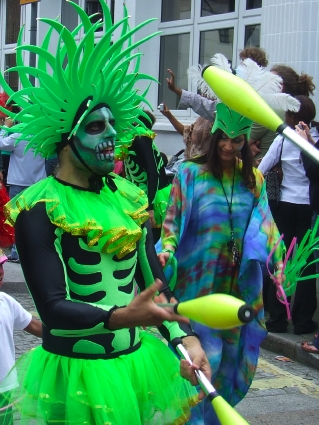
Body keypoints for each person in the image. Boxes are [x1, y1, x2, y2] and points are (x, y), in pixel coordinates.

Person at [0, 2, 210, 424]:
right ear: (65, 140)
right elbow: (53, 308)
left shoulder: (128, 198)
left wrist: (185, 338)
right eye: (96, 127)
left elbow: (154, 283)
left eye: (113, 124)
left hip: (132, 365)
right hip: (75, 374)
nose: (112, 134)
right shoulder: (39, 207)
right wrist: (121, 316)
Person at [158, 101, 284, 425]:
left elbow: (265, 225)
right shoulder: (189, 173)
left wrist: (277, 260)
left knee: (228, 367)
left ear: (246, 142)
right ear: (214, 137)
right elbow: (171, 223)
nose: (229, 146)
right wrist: (166, 252)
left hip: (236, 290)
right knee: (204, 362)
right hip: (197, 289)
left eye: (237, 140)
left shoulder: (252, 180)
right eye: (223, 138)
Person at [258, 95, 317, 335]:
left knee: (281, 261)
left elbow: (261, 170)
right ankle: (303, 321)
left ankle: (278, 320)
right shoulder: (315, 138)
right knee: (306, 264)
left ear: (292, 116)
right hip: (310, 208)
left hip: (284, 206)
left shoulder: (282, 139)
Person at [0, 248, 42, 425]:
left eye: (2, 266)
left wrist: (68, 337)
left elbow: (34, 325)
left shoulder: (5, 301)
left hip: (4, 389)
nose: (1, 273)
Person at [0, 118, 46, 263]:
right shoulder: (42, 136)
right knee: (35, 220)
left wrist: (5, 128)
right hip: (38, 184)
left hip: (18, 182)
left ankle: (16, 252)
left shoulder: (18, 135)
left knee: (16, 219)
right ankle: (34, 252)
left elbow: (1, 143)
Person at [249, 65, 315, 164]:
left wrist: (247, 147)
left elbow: (240, 142)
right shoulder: (295, 108)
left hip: (260, 171)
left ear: (280, 86)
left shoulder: (269, 109)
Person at [123, 111, 172, 243]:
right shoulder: (129, 138)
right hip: (139, 196)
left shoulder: (140, 137)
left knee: (152, 242)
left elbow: (153, 172)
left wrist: (149, 206)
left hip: (154, 197)